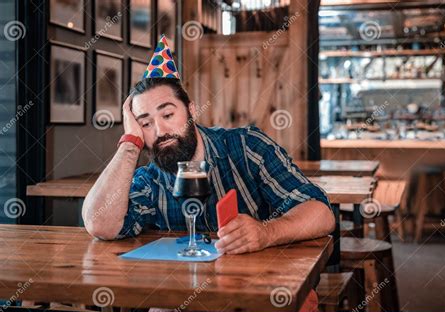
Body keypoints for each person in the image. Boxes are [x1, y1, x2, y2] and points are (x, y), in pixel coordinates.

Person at [82, 36, 335, 255]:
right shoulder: (150, 180)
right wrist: (130, 144)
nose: (160, 131)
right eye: (145, 124)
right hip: (180, 295)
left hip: (262, 289)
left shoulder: (247, 147)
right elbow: (99, 224)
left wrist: (266, 233)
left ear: (191, 110)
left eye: (168, 115)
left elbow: (321, 214)